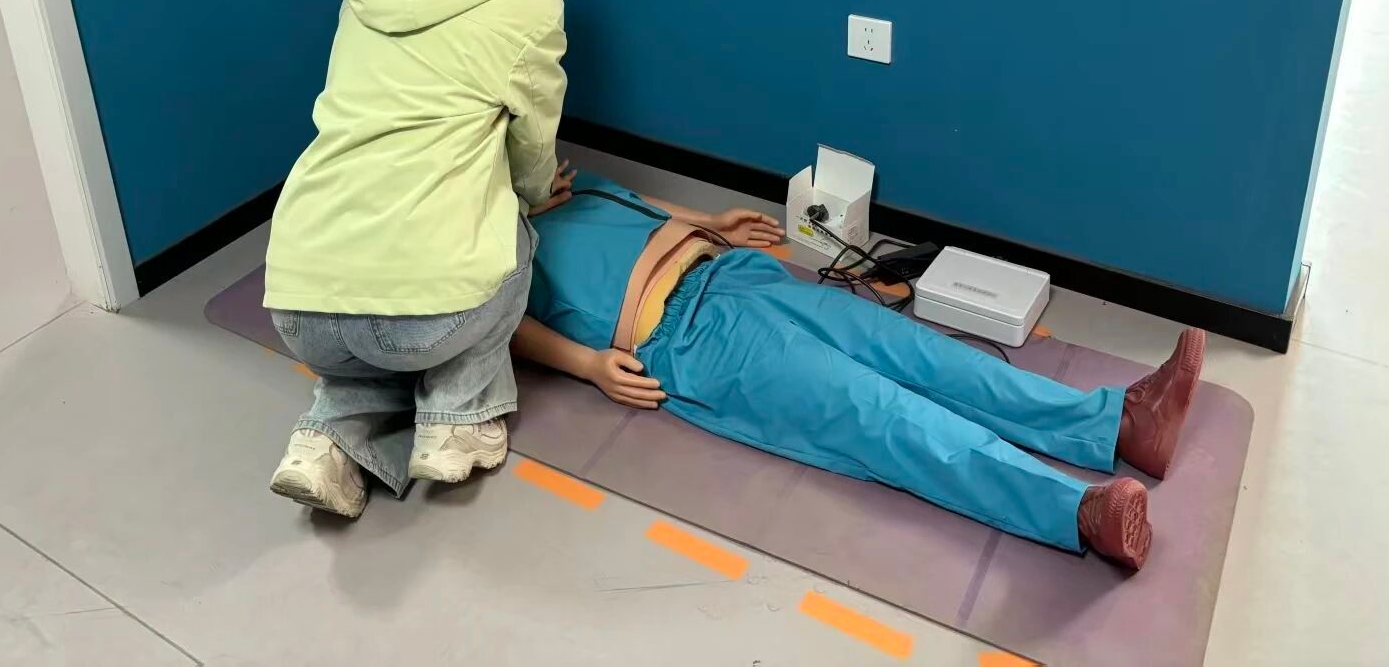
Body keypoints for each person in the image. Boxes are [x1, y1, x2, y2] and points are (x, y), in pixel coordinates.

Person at [513, 174, 1209, 570]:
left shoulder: (562, 181)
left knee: (917, 352)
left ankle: (1118, 423)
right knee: (876, 411)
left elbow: (643, 206)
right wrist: (590, 366)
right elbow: (499, 328)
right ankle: (1076, 510)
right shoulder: (487, 243)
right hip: (683, 340)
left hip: (731, 273)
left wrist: (711, 221)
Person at [264, 0, 575, 519]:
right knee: (509, 234)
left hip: (297, 301)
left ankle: (324, 438)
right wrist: (531, 195)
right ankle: (456, 417)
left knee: (366, 343)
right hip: (422, 321)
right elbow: (531, 148)